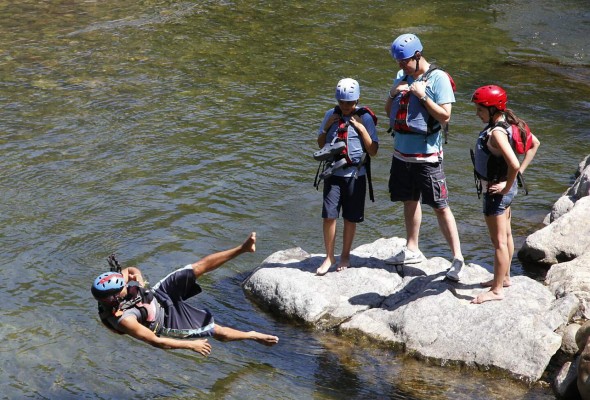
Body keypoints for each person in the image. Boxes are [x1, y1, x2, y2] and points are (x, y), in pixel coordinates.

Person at [91, 232, 279, 355]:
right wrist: (192, 345)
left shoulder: (113, 286)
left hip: (157, 295)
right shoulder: (125, 321)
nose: (125, 282)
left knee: (196, 268)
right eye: (122, 285)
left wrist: (138, 278)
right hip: (166, 321)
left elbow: (131, 270)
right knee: (215, 330)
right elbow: (157, 341)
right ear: (114, 297)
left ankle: (243, 248)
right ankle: (253, 335)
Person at [384, 33, 464, 281]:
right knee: (409, 200)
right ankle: (412, 248)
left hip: (427, 157)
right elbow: (389, 111)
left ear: (417, 56)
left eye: (404, 61)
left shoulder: (437, 78)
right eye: (399, 62)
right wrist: (392, 93)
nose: (401, 66)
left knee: (440, 206)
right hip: (402, 154)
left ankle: (458, 258)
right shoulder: (402, 76)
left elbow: (445, 116)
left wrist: (422, 95)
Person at [469, 85, 540, 304]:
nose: (477, 114)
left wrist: (506, 186)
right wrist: (513, 182)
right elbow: (534, 143)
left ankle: (497, 289)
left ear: (492, 110)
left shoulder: (497, 133)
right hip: (505, 190)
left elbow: (513, 163)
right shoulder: (509, 123)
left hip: (496, 192)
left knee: (498, 241)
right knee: (507, 236)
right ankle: (505, 277)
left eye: (480, 110)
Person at [315, 78, 379, 276]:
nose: (345, 106)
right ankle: (329, 257)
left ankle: (345, 255)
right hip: (333, 173)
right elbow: (320, 144)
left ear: (357, 100)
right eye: (342, 102)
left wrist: (360, 129)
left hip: (355, 175)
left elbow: (373, 150)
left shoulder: (365, 118)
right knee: (329, 216)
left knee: (350, 218)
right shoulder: (330, 115)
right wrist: (326, 127)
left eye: (349, 103)